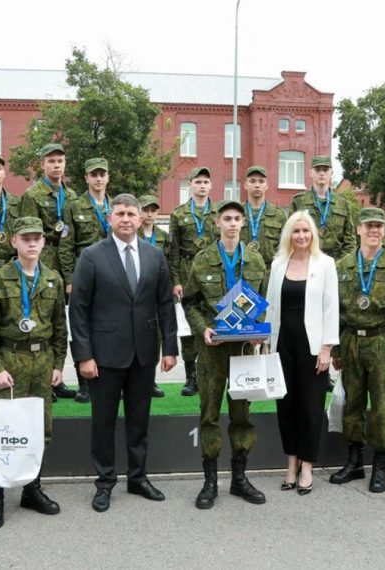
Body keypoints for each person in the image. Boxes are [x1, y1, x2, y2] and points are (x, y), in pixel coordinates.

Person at [68, 194, 178, 512]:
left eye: (132, 213)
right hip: (104, 357)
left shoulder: (154, 255)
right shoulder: (91, 256)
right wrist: (83, 355)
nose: (126, 218)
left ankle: (138, 477)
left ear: (141, 217)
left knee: (138, 420)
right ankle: (104, 483)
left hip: (143, 354)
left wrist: (170, 348)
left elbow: (164, 305)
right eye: (120, 213)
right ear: (109, 218)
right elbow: (79, 310)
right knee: (103, 422)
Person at [0, 216, 68, 527]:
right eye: (25, 238)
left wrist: (58, 364)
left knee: (38, 429)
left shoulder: (53, 279)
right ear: (13, 241)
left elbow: (60, 327)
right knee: (2, 430)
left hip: (42, 362)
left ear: (44, 242)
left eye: (37, 238)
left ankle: (32, 490)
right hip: (10, 361)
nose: (32, 243)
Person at [182, 200, 268, 509]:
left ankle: (239, 479)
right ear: (217, 223)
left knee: (242, 414)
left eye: (237, 218)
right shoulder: (203, 261)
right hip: (212, 350)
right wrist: (202, 329)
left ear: (243, 223)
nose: (232, 223)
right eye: (226, 218)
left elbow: (264, 302)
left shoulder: (257, 261)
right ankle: (209, 482)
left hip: (244, 349)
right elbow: (190, 302)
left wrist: (260, 330)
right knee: (209, 414)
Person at [329, 208, 385, 493]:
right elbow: (335, 312)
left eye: (379, 226)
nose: (374, 231)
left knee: (382, 407)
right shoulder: (341, 266)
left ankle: (379, 467)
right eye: (369, 226)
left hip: (382, 341)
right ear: (358, 229)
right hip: (351, 340)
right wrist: (337, 349)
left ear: (384, 231)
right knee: (352, 405)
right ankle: (354, 462)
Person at [264, 211, 339, 495]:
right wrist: (268, 344)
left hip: (313, 346)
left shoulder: (325, 264)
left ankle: (307, 467)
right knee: (286, 406)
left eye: (306, 231)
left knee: (310, 406)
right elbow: (272, 305)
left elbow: (331, 308)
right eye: (296, 231)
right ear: (289, 234)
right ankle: (291, 464)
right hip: (283, 342)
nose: (302, 236)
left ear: (313, 234)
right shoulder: (278, 264)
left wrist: (327, 348)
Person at [58, 157, 115, 404]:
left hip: (111, 277)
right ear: (86, 178)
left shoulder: (115, 206)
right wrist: (70, 279)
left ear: (108, 177)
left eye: (102, 174)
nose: (99, 178)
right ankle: (83, 384)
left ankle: (108, 379)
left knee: (108, 325)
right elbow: (65, 246)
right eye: (94, 174)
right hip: (84, 275)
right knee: (80, 326)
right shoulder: (74, 205)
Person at [168, 166, 220, 397]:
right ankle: (190, 377)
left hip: (212, 274)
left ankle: (209, 374)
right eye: (197, 181)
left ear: (211, 186)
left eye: (205, 182)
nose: (201, 186)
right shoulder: (178, 214)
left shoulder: (219, 212)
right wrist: (175, 280)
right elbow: (173, 252)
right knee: (188, 328)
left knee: (211, 321)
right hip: (187, 272)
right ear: (190, 185)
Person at [19, 143, 77, 277]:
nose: (57, 165)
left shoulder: (72, 195)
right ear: (42, 165)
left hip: (68, 256)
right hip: (44, 255)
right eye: (51, 161)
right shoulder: (32, 195)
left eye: (60, 161)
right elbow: (28, 232)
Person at [289, 156, 356, 261]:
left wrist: (341, 264)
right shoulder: (298, 201)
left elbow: (350, 240)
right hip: (307, 260)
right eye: (317, 170)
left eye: (325, 170)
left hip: (336, 262)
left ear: (331, 173)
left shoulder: (343, 203)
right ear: (310, 172)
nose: (322, 173)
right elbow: (290, 234)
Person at [137, 194, 170, 399]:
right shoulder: (133, 233)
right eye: (145, 210)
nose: (149, 214)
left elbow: (169, 262)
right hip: (134, 287)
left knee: (155, 335)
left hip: (155, 289)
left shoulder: (163, 235)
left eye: (153, 210)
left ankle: (149, 380)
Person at [239, 165, 288, 267]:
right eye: (252, 181)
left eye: (261, 181)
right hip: (241, 271)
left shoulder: (279, 215)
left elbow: (286, 247)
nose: (257, 185)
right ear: (245, 185)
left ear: (267, 186)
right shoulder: (236, 213)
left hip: (270, 271)